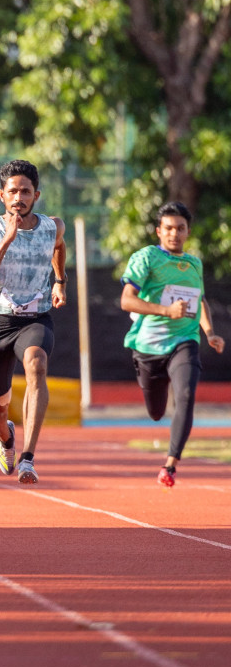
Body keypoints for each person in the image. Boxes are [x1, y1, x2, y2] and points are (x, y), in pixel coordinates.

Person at [0, 159, 67, 486]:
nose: (18, 198)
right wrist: (6, 240)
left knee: (37, 364)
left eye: (25, 191)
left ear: (36, 195)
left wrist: (60, 280)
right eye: (13, 191)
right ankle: (7, 439)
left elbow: (58, 246)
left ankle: (27, 458)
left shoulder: (53, 226)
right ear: (1, 194)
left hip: (34, 319)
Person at [120, 201, 224, 487]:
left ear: (188, 231)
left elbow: (199, 299)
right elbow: (126, 300)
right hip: (148, 347)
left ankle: (170, 464)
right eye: (168, 228)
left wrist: (209, 332)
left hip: (185, 341)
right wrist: (166, 311)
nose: (174, 234)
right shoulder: (147, 258)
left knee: (187, 396)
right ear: (158, 231)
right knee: (156, 413)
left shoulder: (194, 263)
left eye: (180, 228)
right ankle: (157, 381)